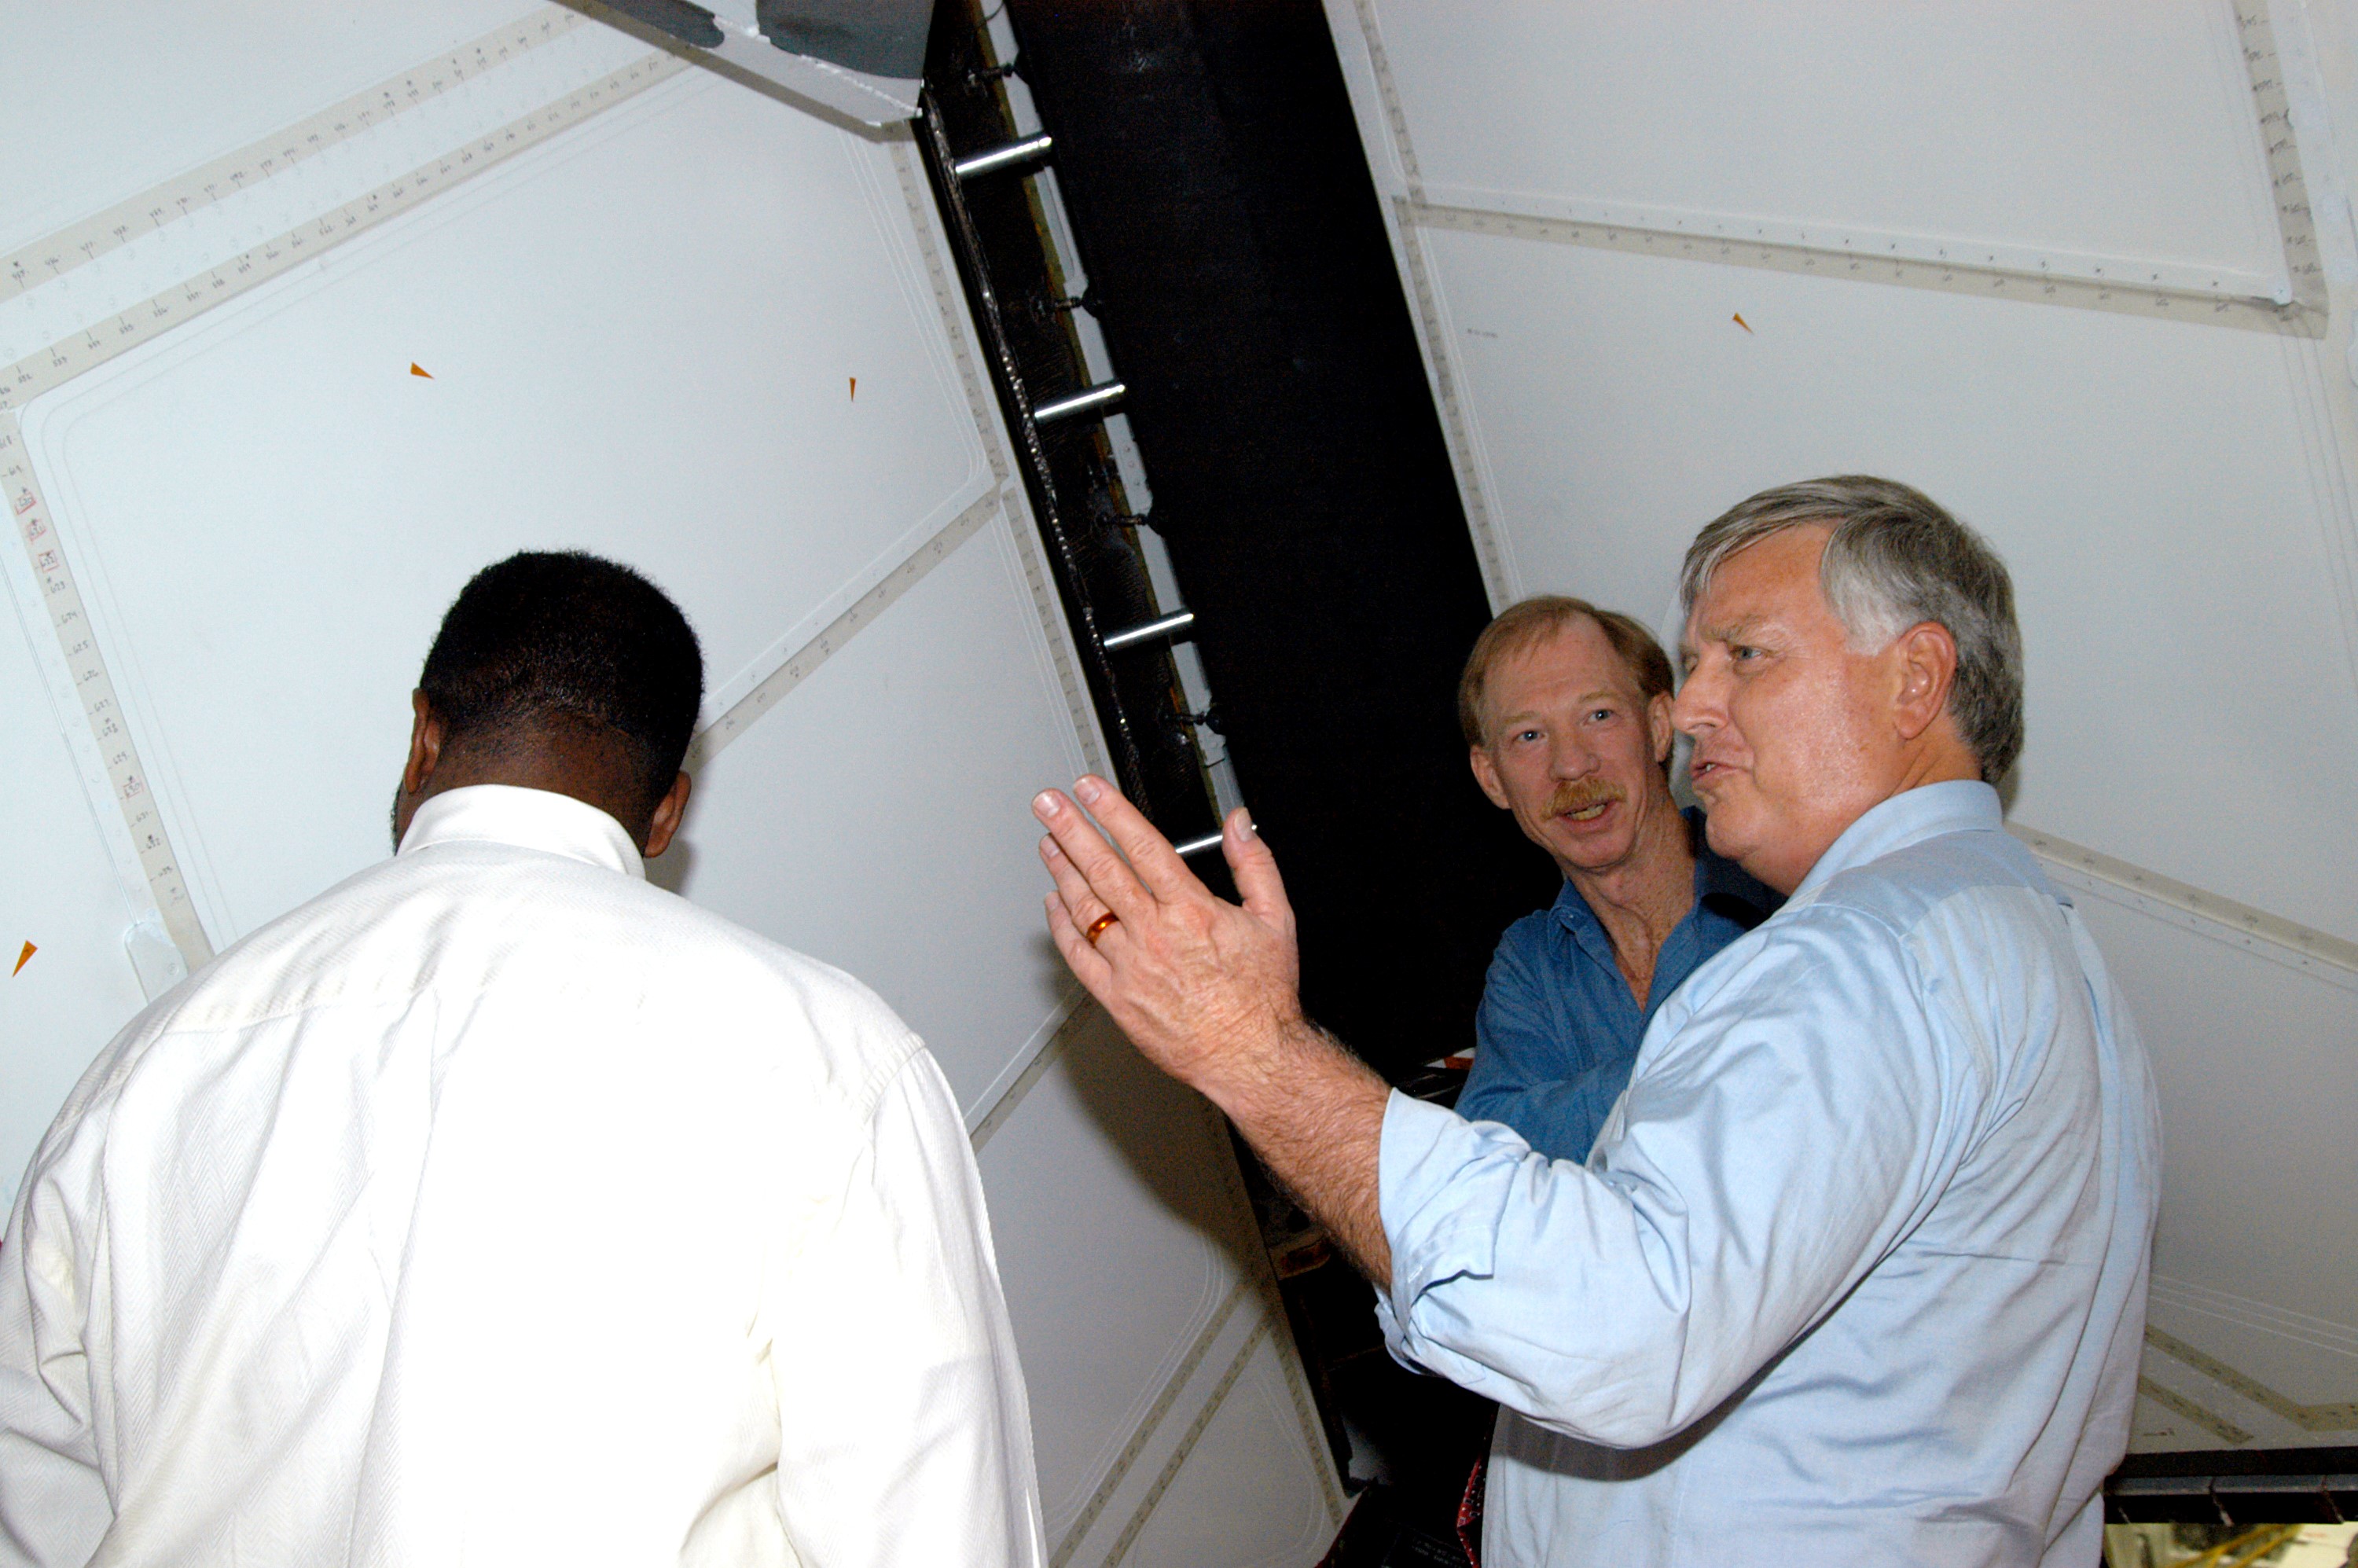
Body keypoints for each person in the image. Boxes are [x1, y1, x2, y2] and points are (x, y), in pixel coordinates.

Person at [1031, 477, 2160, 1566]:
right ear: (1490, 776)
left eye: (1745, 656)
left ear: (1916, 678)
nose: (1698, 706)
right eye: (1528, 738)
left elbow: (1617, 1320)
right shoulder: (2026, 943)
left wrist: (1251, 1051)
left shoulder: (1866, 954)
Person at [0, 551, 1046, 1568]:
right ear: (667, 811)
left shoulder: (140, 1077)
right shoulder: (832, 1064)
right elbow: (937, 1532)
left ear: (424, 738)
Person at [1455, 597, 1777, 1162]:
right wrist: (1701, 1066)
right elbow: (1487, 1164)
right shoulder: (1530, 966)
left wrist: (1586, 1109)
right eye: (1529, 736)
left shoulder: (1775, 886)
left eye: (1598, 716)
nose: (1572, 765)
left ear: (1657, 728)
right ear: (1491, 779)